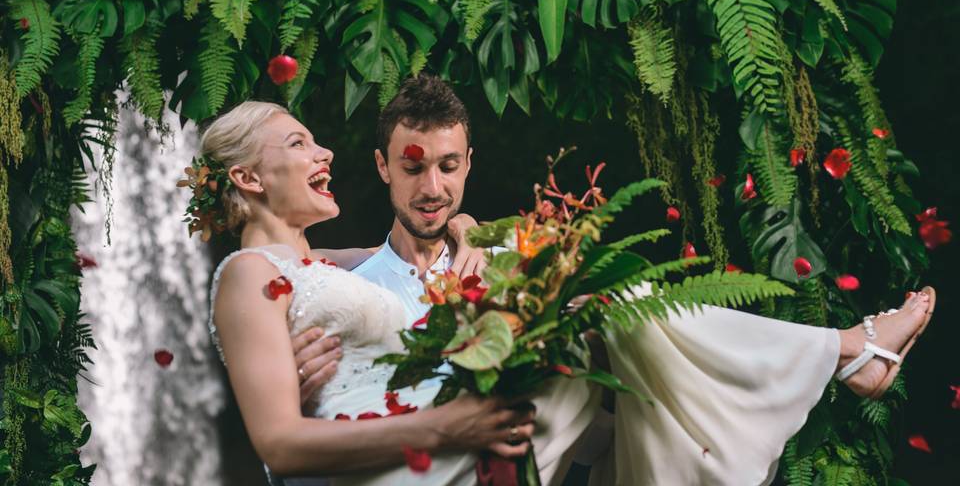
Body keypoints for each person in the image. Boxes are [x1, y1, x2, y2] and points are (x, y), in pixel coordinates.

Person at [205, 82, 934, 485]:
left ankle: (843, 354)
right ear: (246, 177)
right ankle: (847, 351)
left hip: (458, 439)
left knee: (618, 312)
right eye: (299, 141)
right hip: (415, 451)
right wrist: (446, 425)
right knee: (616, 311)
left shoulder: (325, 264)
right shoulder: (249, 274)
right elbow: (277, 442)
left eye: (449, 168)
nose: (320, 147)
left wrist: (469, 232)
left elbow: (396, 251)